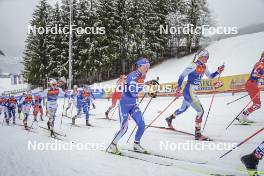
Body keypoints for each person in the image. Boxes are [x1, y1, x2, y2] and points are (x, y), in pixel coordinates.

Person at [165, 49, 225, 141]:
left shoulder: (204, 66)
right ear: (200, 56)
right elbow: (182, 76)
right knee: (200, 111)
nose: (207, 59)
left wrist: (218, 71)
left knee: (183, 109)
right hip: (189, 91)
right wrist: (178, 88)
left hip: (191, 91)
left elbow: (210, 76)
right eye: (206, 57)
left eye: (208, 57)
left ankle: (170, 118)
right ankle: (197, 134)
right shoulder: (193, 65)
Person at [108, 57, 156, 154]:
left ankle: (136, 144)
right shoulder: (133, 76)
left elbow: (139, 86)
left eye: (148, 66)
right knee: (124, 128)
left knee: (142, 125)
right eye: (145, 66)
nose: (147, 68)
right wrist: (148, 92)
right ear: (139, 66)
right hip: (124, 104)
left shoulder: (142, 75)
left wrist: (147, 83)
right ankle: (112, 145)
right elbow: (133, 92)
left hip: (133, 104)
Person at [237, 51, 264, 124]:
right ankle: (241, 116)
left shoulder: (261, 63)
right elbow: (255, 74)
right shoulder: (261, 64)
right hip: (251, 84)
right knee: (257, 104)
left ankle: (244, 116)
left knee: (257, 104)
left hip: (253, 84)